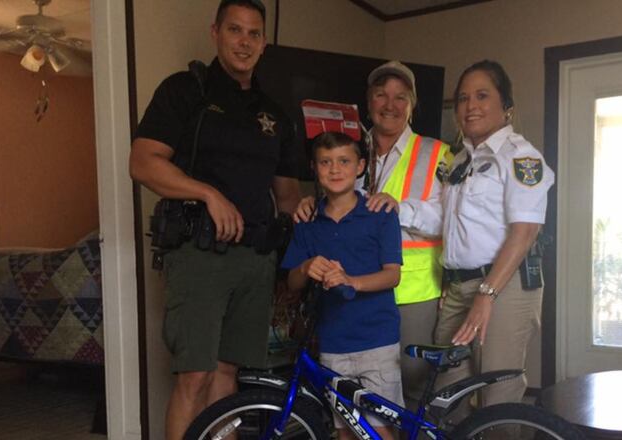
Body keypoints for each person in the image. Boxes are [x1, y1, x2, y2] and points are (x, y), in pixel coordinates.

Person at [128, 1, 300, 438]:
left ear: (263, 43)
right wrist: (208, 194)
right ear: (216, 33)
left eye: (254, 34)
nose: (244, 41)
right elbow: (143, 162)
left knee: (228, 375)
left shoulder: (274, 113)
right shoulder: (186, 90)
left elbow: (287, 195)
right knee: (195, 376)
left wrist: (290, 259)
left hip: (256, 259)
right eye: (235, 30)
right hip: (200, 254)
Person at [295, 61, 449, 411]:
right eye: (381, 95)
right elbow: (339, 202)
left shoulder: (436, 153)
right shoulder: (348, 149)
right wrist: (312, 203)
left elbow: (447, 219)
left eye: (400, 96)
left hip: (412, 288)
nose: (390, 104)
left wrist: (399, 207)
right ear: (368, 102)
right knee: (354, 394)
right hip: (353, 286)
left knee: (409, 384)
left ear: (413, 104)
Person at [434, 60, 554, 417]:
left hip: (503, 287)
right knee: (445, 394)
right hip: (458, 288)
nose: (471, 106)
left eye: (482, 96)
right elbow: (443, 219)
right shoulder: (459, 161)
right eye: (463, 98)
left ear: (506, 106)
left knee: (496, 397)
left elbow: (526, 231)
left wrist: (486, 295)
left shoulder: (522, 157)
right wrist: (392, 206)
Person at [282, 131, 403, 440]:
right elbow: (293, 283)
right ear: (314, 168)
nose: (335, 170)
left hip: (377, 339)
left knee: (380, 430)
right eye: (325, 162)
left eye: (344, 161)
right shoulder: (307, 219)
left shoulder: (380, 214)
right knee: (346, 430)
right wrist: (307, 267)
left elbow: (392, 275)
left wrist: (351, 281)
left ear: (360, 166)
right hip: (333, 342)